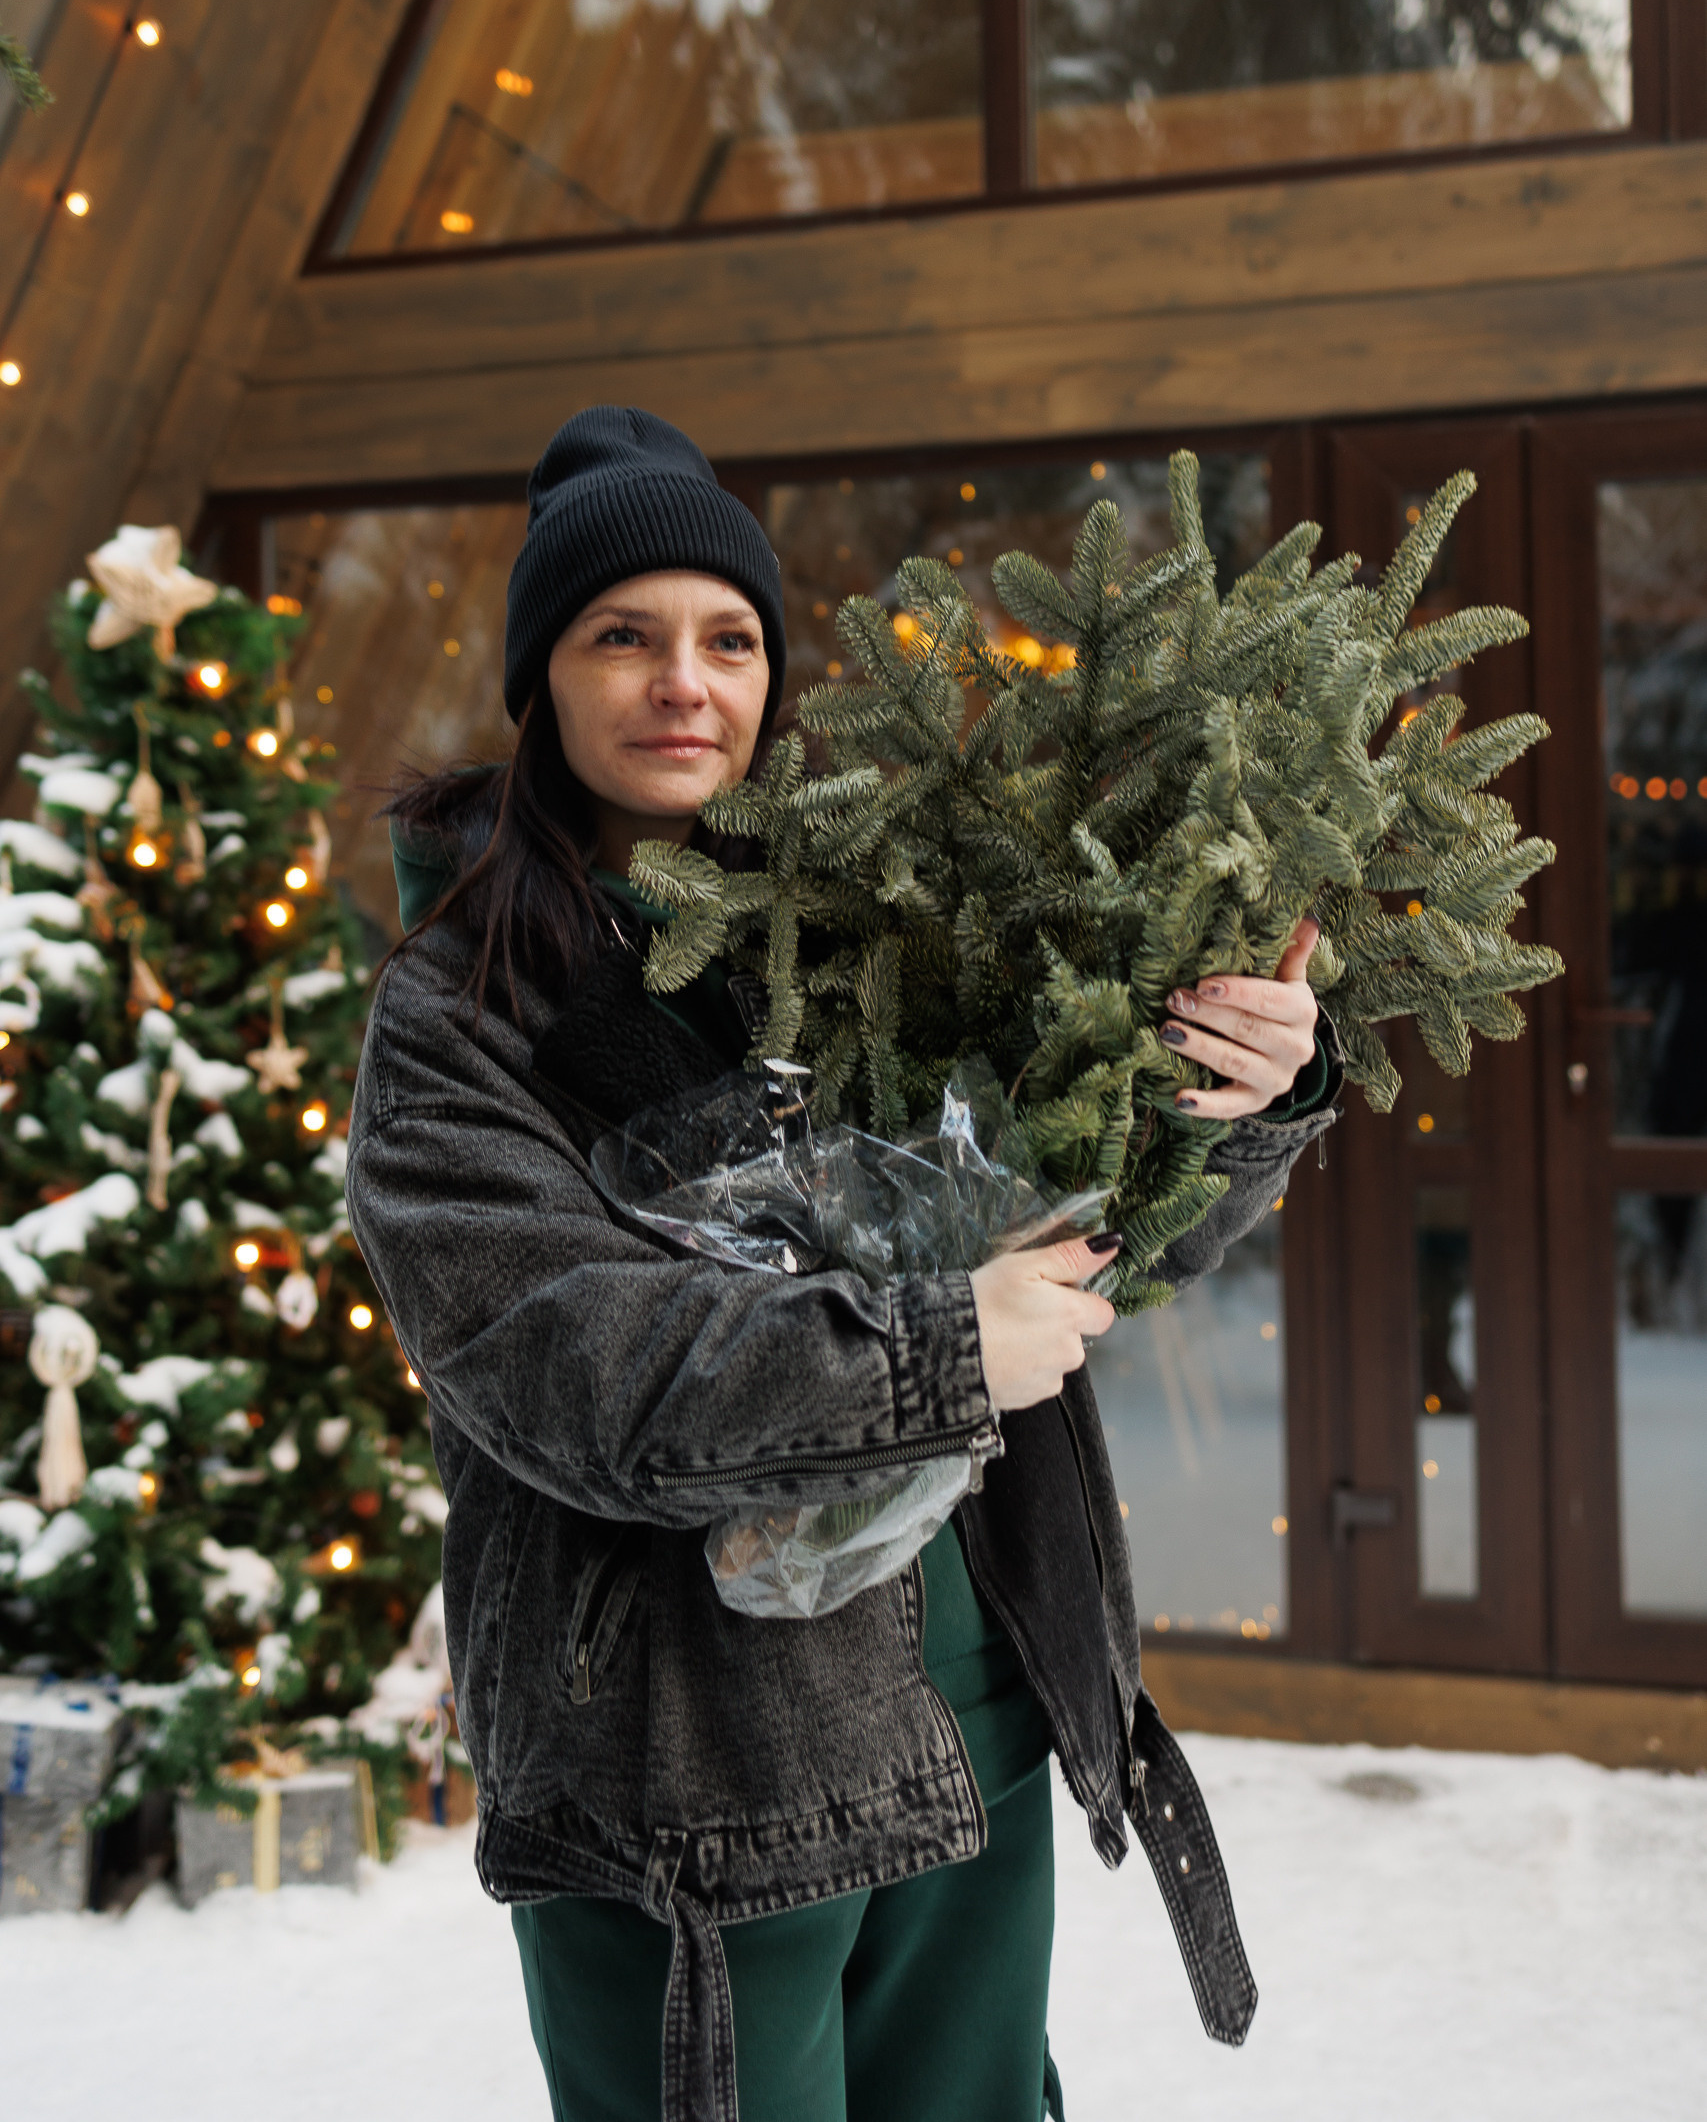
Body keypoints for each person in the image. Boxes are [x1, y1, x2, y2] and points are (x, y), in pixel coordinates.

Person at [346, 406, 1338, 2122]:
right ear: (545, 679)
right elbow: (571, 1361)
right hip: (686, 1765)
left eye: (728, 640)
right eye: (623, 637)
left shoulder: (874, 929)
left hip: (967, 1694)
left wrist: (1247, 1094)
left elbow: (1094, 1229)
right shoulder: (455, 1019)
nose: (684, 684)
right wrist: (937, 1348)